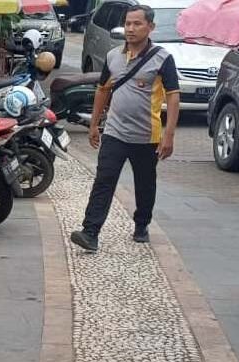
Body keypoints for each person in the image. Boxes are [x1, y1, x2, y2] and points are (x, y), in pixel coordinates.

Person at [69, 4, 179, 252]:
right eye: (128, 23)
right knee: (104, 180)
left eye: (137, 24)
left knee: (145, 183)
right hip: (114, 132)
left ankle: (141, 224)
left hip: (146, 136)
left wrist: (168, 134)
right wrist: (94, 124)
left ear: (150, 27)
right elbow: (102, 90)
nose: (130, 28)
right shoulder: (112, 56)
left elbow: (173, 96)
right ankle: (90, 232)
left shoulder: (162, 59)